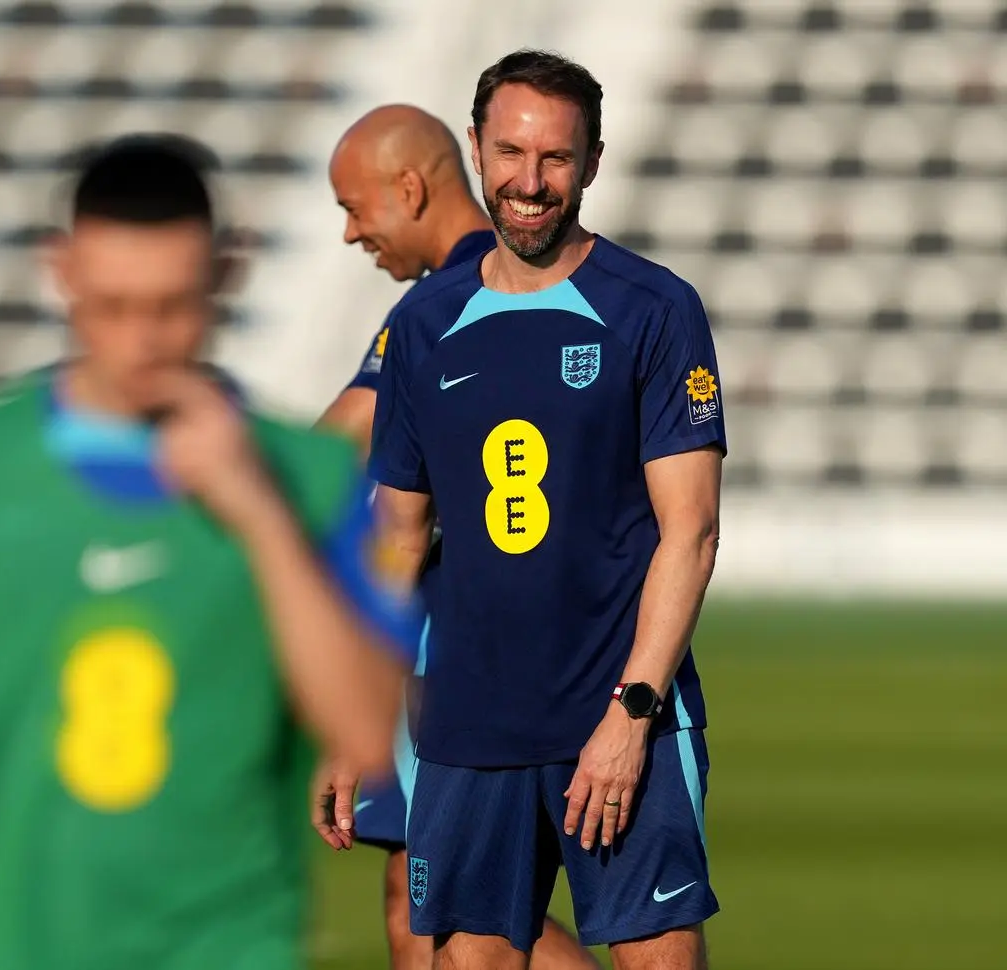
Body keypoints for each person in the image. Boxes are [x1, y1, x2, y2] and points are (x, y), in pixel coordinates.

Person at [0, 134, 417, 970]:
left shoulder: (308, 475)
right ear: (63, 271)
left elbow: (373, 734)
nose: (143, 341)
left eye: (172, 306)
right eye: (113, 307)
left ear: (226, 275)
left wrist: (261, 519)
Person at [369, 50, 726, 970]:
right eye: (511, 153)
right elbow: (398, 535)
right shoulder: (422, 322)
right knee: (465, 960)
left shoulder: (654, 308)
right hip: (465, 725)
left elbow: (691, 531)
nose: (531, 183)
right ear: (479, 151)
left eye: (556, 159)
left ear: (593, 163)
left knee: (657, 959)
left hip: (615, 717)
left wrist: (633, 712)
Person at [312, 105, 599, 970]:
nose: (353, 232)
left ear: (410, 187)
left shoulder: (454, 301)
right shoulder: (467, 292)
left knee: (443, 902)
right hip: (477, 631)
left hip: (459, 637)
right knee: (426, 893)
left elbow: (338, 448)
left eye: (356, 208)